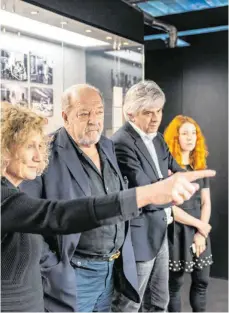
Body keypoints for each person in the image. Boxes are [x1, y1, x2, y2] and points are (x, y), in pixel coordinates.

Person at [1, 101, 215, 312]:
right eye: (29, 146)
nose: (38, 157)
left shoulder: (16, 192)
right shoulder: (4, 198)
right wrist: (148, 194)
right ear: (4, 147)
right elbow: (59, 214)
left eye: (40, 145)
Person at [111, 80, 212, 312]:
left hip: (160, 233)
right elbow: (146, 191)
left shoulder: (156, 139)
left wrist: (170, 184)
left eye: (159, 111)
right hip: (139, 237)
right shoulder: (121, 142)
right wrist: (168, 190)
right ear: (130, 113)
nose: (156, 118)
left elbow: (178, 172)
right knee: (129, 305)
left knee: (159, 303)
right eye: (148, 112)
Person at [164, 115, 213, 312]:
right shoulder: (167, 169)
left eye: (193, 133)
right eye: (185, 133)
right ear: (176, 137)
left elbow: (206, 203)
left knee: (202, 282)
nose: (190, 137)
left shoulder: (200, 167)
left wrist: (201, 233)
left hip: (199, 233)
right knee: (174, 287)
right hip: (176, 233)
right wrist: (200, 226)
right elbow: (169, 207)